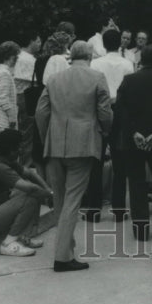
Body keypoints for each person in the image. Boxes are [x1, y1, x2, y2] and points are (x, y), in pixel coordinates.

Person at [35, 40, 113, 271]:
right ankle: (62, 257)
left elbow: (41, 113)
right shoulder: (97, 77)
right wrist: (104, 132)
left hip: (55, 143)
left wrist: (46, 137)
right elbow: (105, 113)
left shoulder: (54, 79)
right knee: (72, 201)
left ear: (71, 57)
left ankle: (66, 249)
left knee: (60, 201)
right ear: (89, 57)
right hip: (83, 144)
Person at [0, 128, 53, 256]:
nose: (21, 150)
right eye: (19, 147)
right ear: (11, 150)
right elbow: (31, 189)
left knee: (28, 192)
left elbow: (30, 174)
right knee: (31, 196)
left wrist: (48, 190)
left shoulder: (3, 159)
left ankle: (24, 236)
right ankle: (8, 243)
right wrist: (52, 196)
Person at [117, 42, 152, 240]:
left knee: (136, 183)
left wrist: (134, 132)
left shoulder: (129, 80)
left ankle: (140, 230)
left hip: (134, 140)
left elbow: (122, 111)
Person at [87, 28, 134, 220]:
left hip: (100, 110)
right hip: (121, 111)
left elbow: (92, 89)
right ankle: (119, 209)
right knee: (120, 162)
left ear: (104, 45)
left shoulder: (96, 63)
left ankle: (93, 210)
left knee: (96, 161)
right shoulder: (127, 63)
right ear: (120, 43)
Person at [14, 32, 42, 167]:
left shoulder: (17, 56)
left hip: (16, 96)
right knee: (28, 134)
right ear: (31, 41)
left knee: (20, 132)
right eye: (38, 41)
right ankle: (25, 166)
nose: (40, 44)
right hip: (26, 97)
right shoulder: (29, 60)